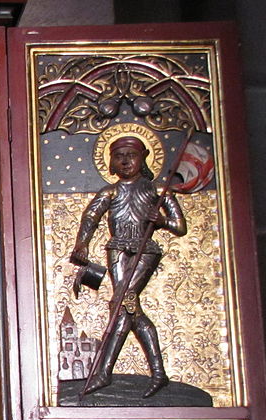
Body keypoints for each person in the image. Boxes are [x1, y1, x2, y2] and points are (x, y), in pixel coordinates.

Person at [70, 135, 187, 397]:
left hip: (145, 250)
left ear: (142, 158)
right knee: (129, 309)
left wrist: (162, 222)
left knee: (122, 302)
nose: (125, 161)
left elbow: (180, 226)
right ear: (111, 162)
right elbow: (91, 216)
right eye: (119, 156)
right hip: (117, 248)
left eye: (131, 155)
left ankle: (104, 373)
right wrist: (82, 244)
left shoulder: (157, 191)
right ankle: (158, 373)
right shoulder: (110, 192)